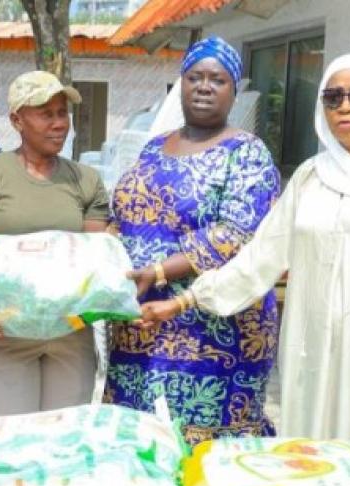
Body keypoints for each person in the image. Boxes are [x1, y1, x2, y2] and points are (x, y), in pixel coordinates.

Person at [139, 54, 350, 480]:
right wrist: (183, 301)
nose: (344, 107)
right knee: (312, 465)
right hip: (312, 350)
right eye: (333, 98)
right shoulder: (311, 177)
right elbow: (259, 260)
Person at [105, 37, 281, 446]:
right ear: (179, 84)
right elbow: (124, 214)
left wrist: (160, 271)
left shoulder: (248, 153)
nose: (204, 86)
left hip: (214, 328)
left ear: (233, 91)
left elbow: (234, 233)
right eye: (194, 77)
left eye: (217, 80)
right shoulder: (152, 146)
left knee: (206, 454)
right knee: (140, 443)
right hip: (141, 324)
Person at [0, 70, 110, 417]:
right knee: (6, 443)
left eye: (62, 113)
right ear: (17, 119)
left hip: (69, 332)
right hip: (4, 336)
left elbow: (94, 257)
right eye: (45, 113)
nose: (58, 124)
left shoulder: (86, 180)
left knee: (62, 443)